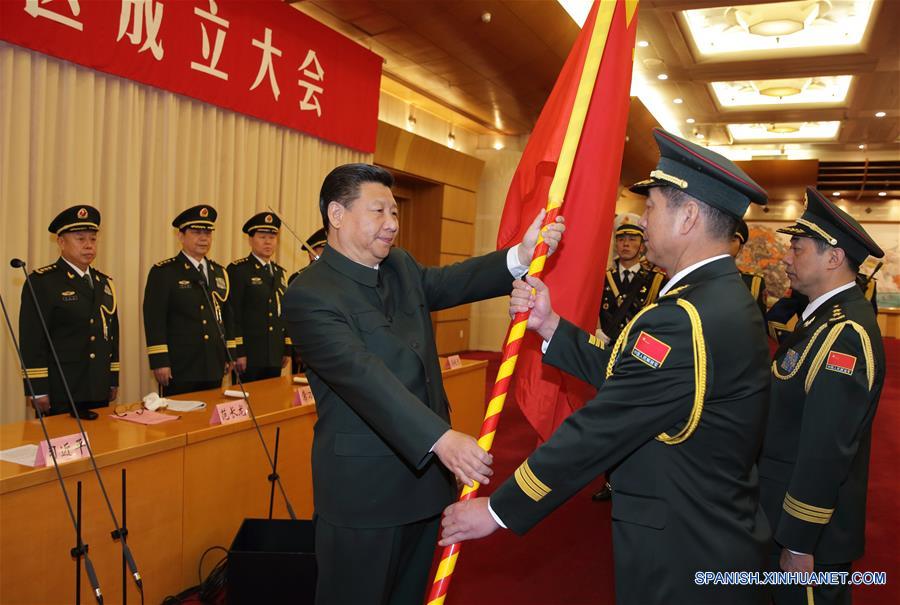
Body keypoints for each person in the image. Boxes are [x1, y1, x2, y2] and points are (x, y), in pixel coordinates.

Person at [439, 129, 773, 605]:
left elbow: (601, 427)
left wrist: (497, 510)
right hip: (715, 531)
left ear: (689, 217)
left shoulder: (682, 318)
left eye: (652, 206)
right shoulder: (722, 300)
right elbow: (637, 380)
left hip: (684, 552)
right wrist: (550, 324)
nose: (641, 218)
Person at [282, 163, 564, 605]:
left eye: (394, 212)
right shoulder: (310, 294)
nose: (392, 224)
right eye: (379, 212)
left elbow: (452, 281)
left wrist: (521, 256)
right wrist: (440, 438)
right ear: (337, 215)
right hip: (365, 496)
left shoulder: (399, 266)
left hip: (426, 485)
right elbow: (364, 378)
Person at [760, 187, 885, 605]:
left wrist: (797, 541)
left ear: (833, 258)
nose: (787, 257)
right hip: (781, 515)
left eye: (797, 248)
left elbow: (826, 450)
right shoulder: (820, 321)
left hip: (810, 537)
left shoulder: (844, 335)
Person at [19, 205, 119, 420]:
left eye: (93, 239)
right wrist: (37, 387)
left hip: (96, 384)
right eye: (80, 239)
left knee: (101, 447)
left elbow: (111, 335)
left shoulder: (104, 282)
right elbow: (32, 340)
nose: (88, 245)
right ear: (61, 242)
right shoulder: (43, 282)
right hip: (61, 387)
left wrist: (112, 378)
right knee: (63, 449)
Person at [594, 220, 666, 501]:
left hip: (641, 358)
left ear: (641, 244)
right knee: (609, 420)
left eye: (632, 239)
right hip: (607, 356)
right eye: (621, 238)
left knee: (640, 420)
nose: (626, 244)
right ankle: (611, 481)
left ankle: (638, 479)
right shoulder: (603, 276)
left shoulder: (655, 279)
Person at [143, 205, 235, 396]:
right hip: (180, 365)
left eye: (207, 233)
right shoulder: (165, 272)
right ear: (181, 236)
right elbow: (154, 320)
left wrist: (229, 354)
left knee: (211, 419)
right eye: (196, 232)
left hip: (213, 362)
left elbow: (226, 316)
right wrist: (160, 361)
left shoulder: (219, 272)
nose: (203, 238)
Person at [227, 212, 291, 383]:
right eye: (262, 237)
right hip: (250, 355)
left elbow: (282, 314)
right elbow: (233, 315)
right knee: (248, 405)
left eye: (272, 237)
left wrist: (286, 348)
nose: (268, 242)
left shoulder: (279, 273)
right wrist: (238, 351)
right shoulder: (239, 270)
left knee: (271, 403)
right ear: (250, 240)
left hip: (274, 354)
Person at [731, 218, 768, 318]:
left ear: (741, 247)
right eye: (722, 238)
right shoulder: (697, 280)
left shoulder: (753, 284)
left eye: (733, 239)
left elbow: (759, 327)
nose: (726, 244)